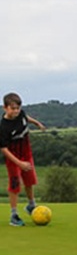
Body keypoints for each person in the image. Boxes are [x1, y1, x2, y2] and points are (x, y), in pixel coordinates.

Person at [1, 93, 46, 227]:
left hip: (26, 154)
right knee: (15, 185)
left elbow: (26, 118)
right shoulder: (3, 127)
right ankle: (13, 215)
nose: (16, 111)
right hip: (14, 158)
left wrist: (37, 123)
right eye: (12, 108)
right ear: (5, 108)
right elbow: (3, 148)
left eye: (18, 108)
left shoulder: (21, 114)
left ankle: (31, 205)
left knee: (30, 180)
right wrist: (18, 163)